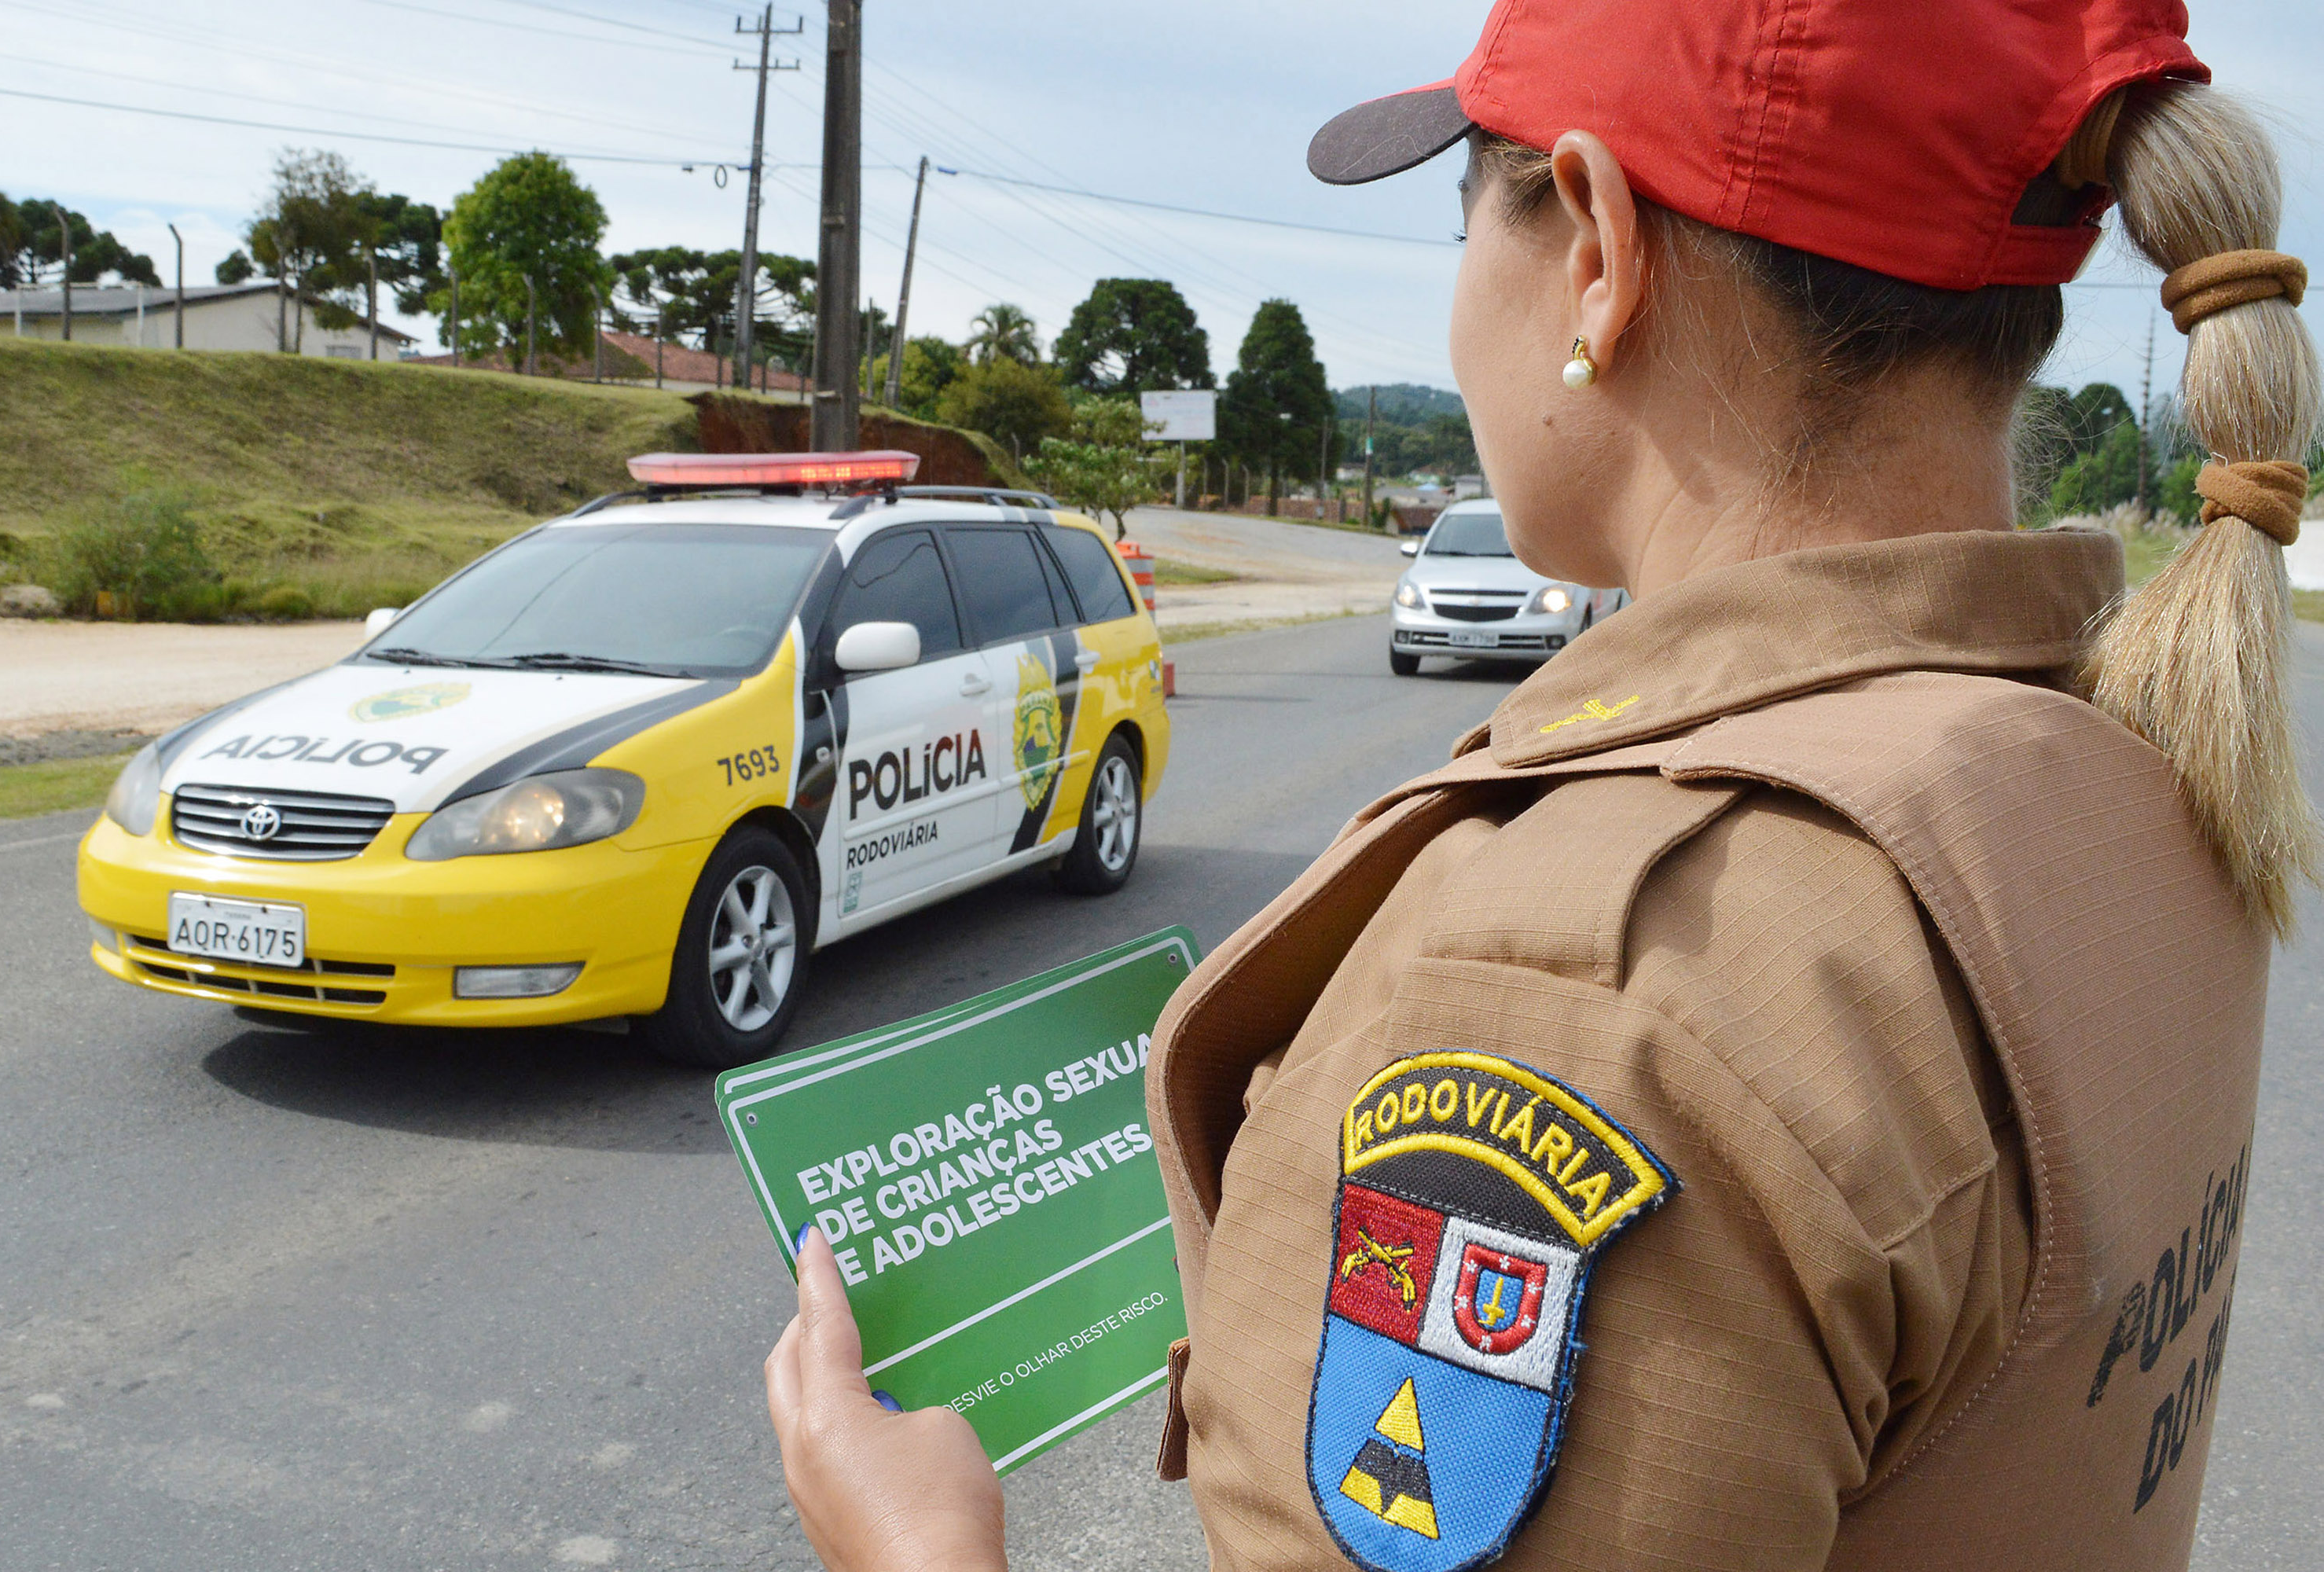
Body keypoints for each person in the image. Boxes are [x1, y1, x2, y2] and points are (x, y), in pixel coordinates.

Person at [766, 1, 2315, 1567]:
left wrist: (916, 1550)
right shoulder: (2121, 760)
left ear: (1598, 251)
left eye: (1462, 228)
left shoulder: (1584, 999)